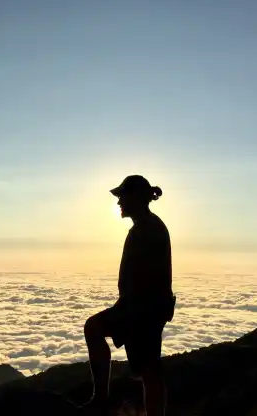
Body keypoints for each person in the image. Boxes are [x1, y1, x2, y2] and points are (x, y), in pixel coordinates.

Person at [80, 175, 175, 416]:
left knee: (95, 329)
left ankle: (101, 399)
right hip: (143, 309)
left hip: (143, 310)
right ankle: (104, 399)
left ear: (135, 198)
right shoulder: (147, 226)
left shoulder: (148, 229)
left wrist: (129, 312)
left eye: (122, 196)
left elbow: (148, 279)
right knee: (149, 369)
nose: (118, 202)